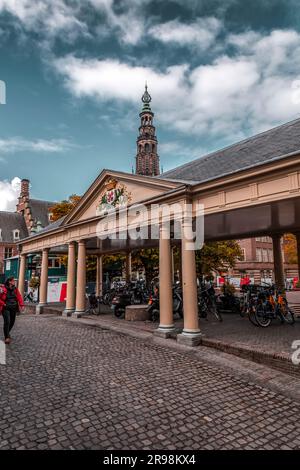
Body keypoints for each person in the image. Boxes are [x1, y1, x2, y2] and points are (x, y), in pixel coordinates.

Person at [0, 277, 24, 344]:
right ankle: (7, 337)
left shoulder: (15, 289)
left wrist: (22, 305)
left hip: (14, 307)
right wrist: (3, 304)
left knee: (12, 322)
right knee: (7, 321)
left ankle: (7, 333)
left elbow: (19, 296)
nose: (14, 282)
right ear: (9, 282)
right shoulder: (3, 288)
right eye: (13, 281)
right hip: (6, 307)